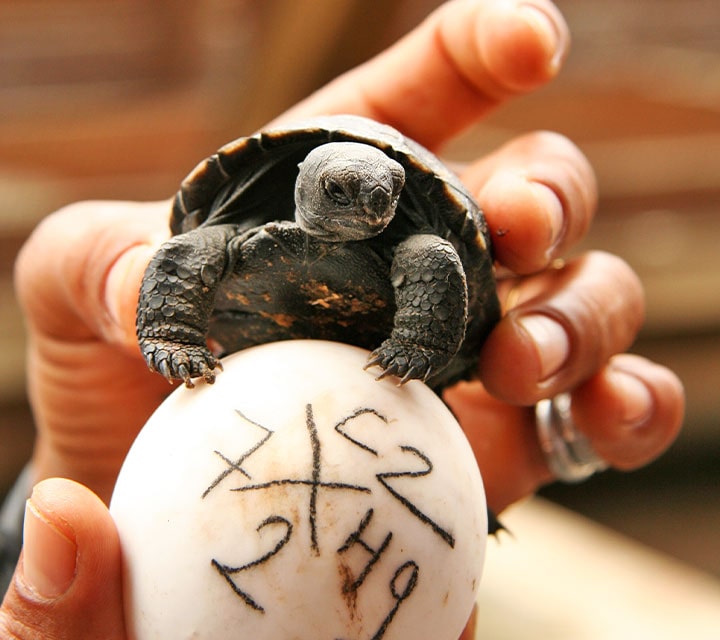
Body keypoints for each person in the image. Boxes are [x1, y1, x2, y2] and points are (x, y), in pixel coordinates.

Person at [0, 0, 684, 638]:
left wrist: (426, 353)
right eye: (340, 193)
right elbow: (185, 252)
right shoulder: (236, 223)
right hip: (239, 371)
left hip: (384, 377)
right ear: (302, 184)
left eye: (384, 195)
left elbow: (436, 259)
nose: (368, 208)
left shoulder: (418, 247)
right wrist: (169, 327)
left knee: (440, 254)